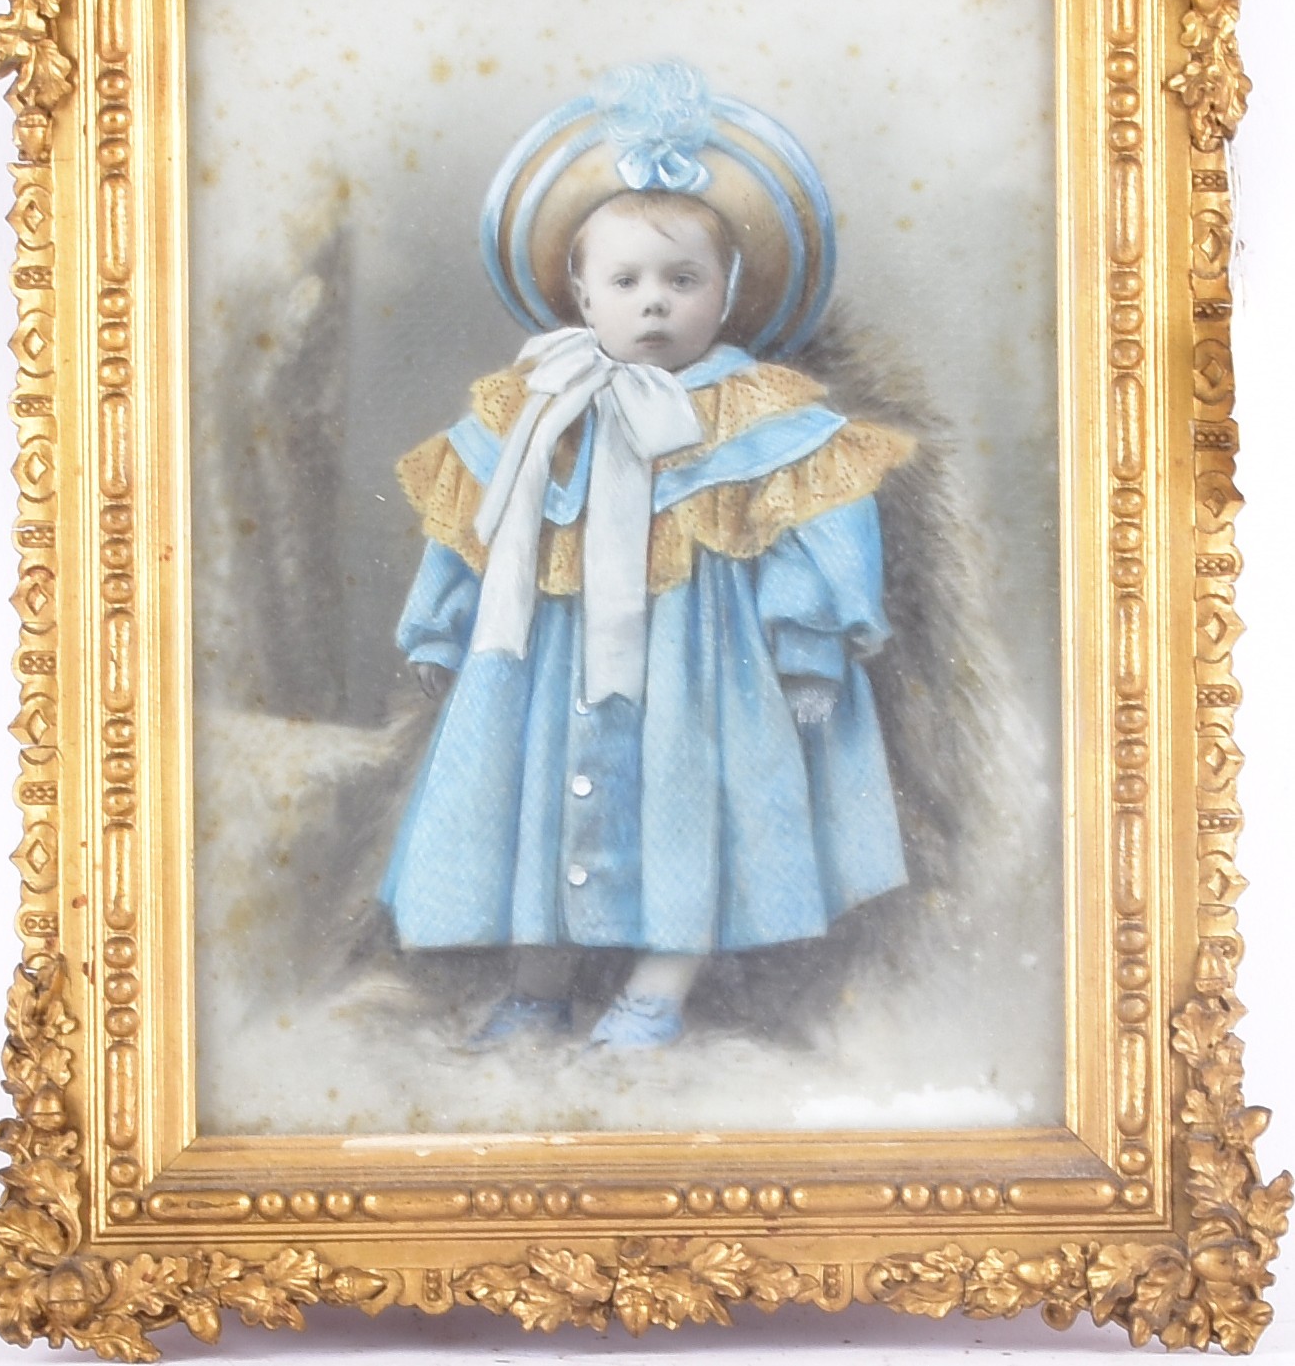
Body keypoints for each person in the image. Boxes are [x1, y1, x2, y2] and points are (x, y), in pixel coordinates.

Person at [379, 63, 914, 1049]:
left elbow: (809, 536)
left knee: (683, 809)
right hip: (550, 658)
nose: (655, 304)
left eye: (682, 281)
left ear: (727, 291)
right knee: (538, 806)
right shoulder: (536, 408)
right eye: (626, 282)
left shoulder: (755, 412)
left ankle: (658, 988)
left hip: (699, 665)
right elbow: (473, 524)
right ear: (581, 293)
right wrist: (439, 629)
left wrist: (807, 653)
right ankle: (537, 984)